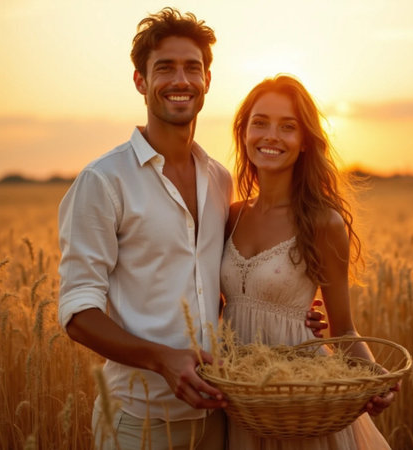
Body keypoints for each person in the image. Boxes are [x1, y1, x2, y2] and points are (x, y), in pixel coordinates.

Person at [57, 8, 325, 450]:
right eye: (164, 68)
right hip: (141, 419)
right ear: (141, 81)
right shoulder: (103, 181)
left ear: (207, 80)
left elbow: (212, 290)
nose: (180, 80)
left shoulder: (219, 178)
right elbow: (78, 314)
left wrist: (284, 309)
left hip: (224, 412)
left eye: (192, 68)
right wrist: (162, 360)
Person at [220, 74, 397, 449]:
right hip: (239, 395)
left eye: (288, 127)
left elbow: (343, 329)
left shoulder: (321, 222)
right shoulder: (230, 215)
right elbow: (212, 302)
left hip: (299, 396)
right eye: (260, 122)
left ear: (304, 143)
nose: (271, 136)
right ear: (244, 132)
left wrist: (373, 375)